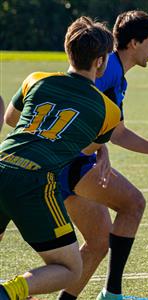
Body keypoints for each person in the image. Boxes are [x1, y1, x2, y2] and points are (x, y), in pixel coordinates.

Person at [5, 11, 148, 300]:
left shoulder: (56, 78)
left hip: (17, 159)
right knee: (132, 205)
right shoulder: (107, 71)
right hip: (60, 166)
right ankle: (110, 294)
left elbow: (90, 122)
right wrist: (102, 146)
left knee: (98, 240)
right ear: (130, 44)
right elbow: (90, 117)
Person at [0, 16, 121, 300]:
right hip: (34, 180)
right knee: (69, 268)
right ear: (101, 61)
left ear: (68, 51)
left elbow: (11, 119)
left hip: (2, 162)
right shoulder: (108, 110)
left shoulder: (37, 80)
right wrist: (103, 148)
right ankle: (8, 293)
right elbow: (87, 146)